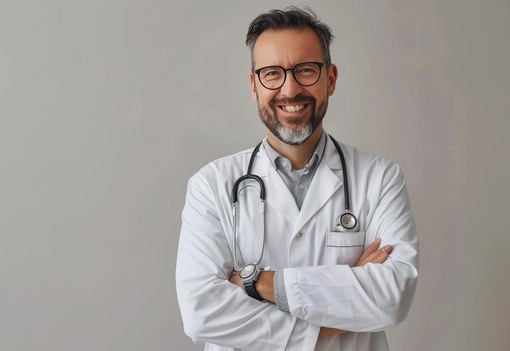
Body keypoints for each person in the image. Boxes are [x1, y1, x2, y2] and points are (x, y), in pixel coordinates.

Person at [175, 7, 418, 351]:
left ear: (330, 79)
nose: (290, 90)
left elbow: (392, 297)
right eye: (272, 74)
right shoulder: (211, 186)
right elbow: (201, 313)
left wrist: (256, 283)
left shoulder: (380, 180)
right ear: (254, 86)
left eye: (306, 70)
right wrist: (329, 322)